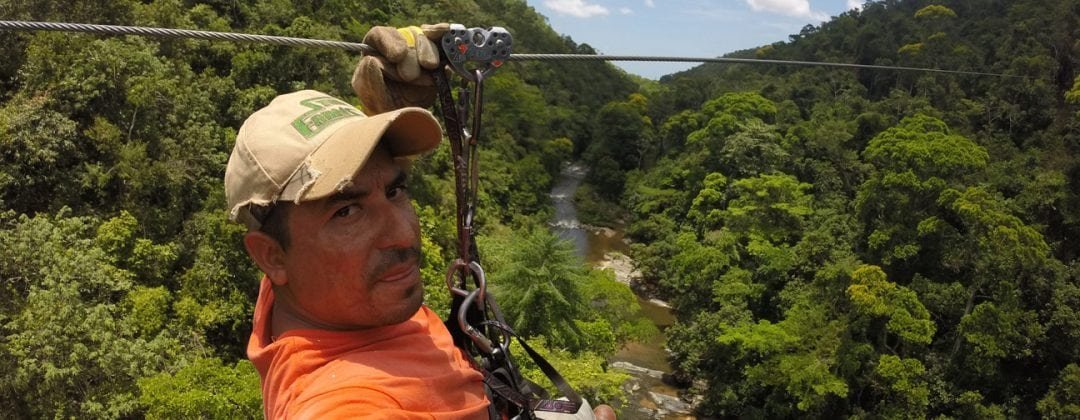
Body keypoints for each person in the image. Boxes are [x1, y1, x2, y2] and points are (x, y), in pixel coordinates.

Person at [223, 24, 617, 419]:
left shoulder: (309, 288)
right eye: (346, 212)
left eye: (395, 192)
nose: (404, 234)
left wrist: (385, 110)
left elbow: (353, 189)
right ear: (271, 257)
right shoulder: (344, 402)